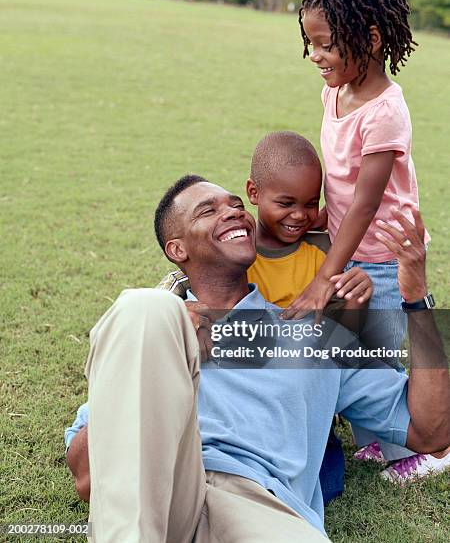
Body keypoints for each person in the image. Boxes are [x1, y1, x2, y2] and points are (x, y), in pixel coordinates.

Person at [65, 176, 450, 542]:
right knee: (143, 306)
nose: (233, 212)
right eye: (208, 211)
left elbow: (431, 431)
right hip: (158, 492)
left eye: (236, 205)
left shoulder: (317, 335)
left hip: (263, 508)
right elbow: (87, 476)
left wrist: (415, 298)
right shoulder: (155, 332)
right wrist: (166, 347)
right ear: (177, 249)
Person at [157, 132, 374, 503]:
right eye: (286, 202)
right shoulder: (234, 254)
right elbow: (176, 291)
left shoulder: (323, 259)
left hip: (296, 394)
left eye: (310, 204)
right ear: (255, 194)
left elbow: (341, 345)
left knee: (320, 481)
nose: (299, 215)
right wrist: (172, 310)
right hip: (241, 397)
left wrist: (356, 306)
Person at [290, 0, 444, 478]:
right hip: (347, 244)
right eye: (310, 43)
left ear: (371, 39)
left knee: (377, 354)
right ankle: (379, 440)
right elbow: (339, 179)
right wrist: (315, 216)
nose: (315, 56)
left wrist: (323, 278)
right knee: (351, 348)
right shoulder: (335, 93)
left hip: (383, 258)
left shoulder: (385, 113)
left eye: (326, 44)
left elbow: (365, 203)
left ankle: (429, 449)